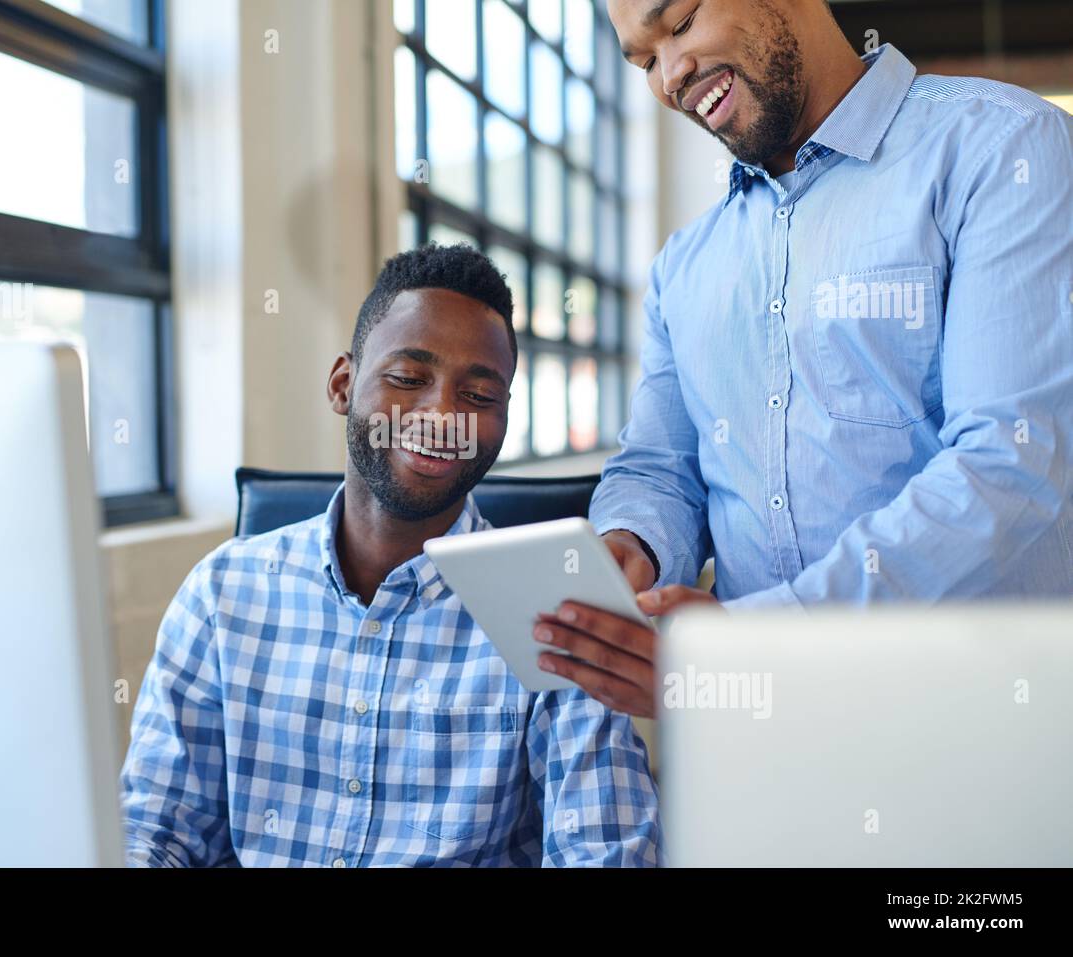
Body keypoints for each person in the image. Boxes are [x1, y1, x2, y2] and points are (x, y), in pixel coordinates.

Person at [532, 0, 1073, 717]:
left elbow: (1011, 463)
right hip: (757, 735)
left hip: (978, 724)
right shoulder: (682, 269)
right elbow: (661, 468)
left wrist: (764, 639)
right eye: (643, 61)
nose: (670, 77)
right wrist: (632, 542)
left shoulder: (1003, 147)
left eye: (682, 22)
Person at [121, 243, 662, 866]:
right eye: (408, 379)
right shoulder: (223, 593)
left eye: (480, 397)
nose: (442, 416)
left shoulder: (557, 616)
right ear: (343, 385)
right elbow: (157, 832)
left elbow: (608, 854)